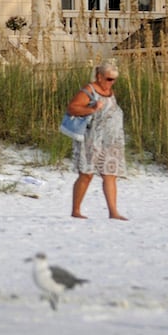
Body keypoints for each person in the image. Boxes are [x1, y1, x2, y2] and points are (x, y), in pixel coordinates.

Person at [67, 62, 127, 220]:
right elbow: (72, 108)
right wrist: (92, 109)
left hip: (111, 139)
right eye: (108, 79)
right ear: (99, 77)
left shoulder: (109, 91)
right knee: (86, 174)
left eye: (114, 80)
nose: (111, 82)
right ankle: (76, 210)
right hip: (92, 139)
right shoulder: (88, 91)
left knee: (110, 174)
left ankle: (113, 212)